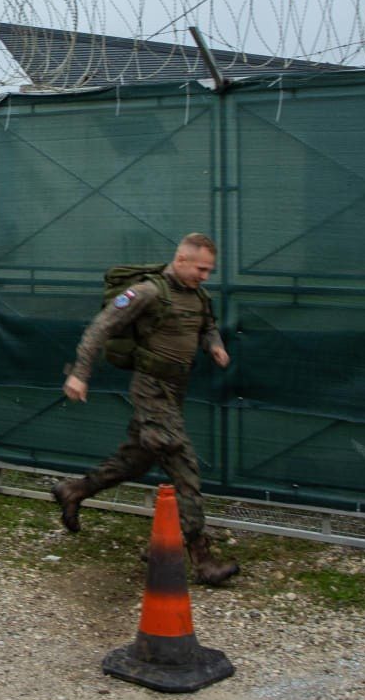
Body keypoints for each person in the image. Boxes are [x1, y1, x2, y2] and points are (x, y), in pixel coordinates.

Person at [53, 233, 238, 585]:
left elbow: (208, 325)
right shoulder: (148, 292)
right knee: (184, 467)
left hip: (175, 391)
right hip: (151, 390)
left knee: (136, 459)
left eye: (209, 270)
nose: (205, 276)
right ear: (181, 259)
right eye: (201, 268)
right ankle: (200, 559)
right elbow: (100, 327)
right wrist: (79, 374)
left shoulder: (198, 295)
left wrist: (215, 345)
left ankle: (74, 490)